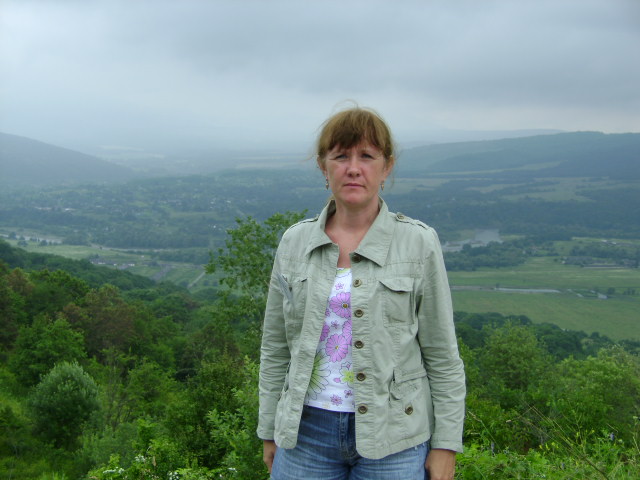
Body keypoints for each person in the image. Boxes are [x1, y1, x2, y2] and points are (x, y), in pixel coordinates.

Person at [258, 106, 466, 480]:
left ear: (386, 168)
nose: (353, 168)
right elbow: (275, 346)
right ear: (324, 168)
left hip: (395, 435)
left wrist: (446, 445)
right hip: (305, 433)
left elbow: (442, 353)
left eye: (367, 156)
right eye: (341, 156)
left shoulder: (418, 243)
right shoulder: (295, 242)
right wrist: (269, 429)